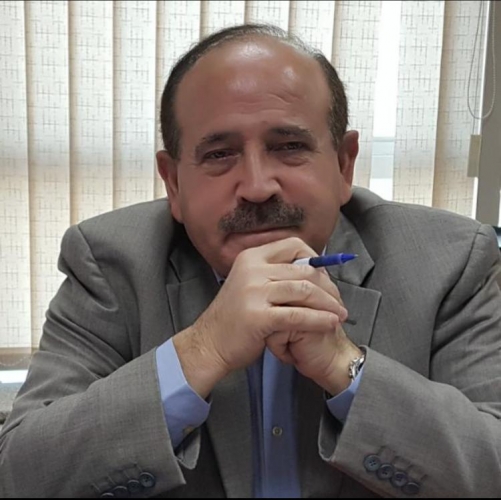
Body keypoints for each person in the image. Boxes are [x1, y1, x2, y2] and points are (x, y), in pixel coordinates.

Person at [1, 23, 500, 499]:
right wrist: (201, 350)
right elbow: (20, 475)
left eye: (290, 146)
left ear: (344, 163)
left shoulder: (450, 261)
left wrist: (344, 366)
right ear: (173, 182)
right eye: (219, 154)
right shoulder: (112, 263)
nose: (258, 187)